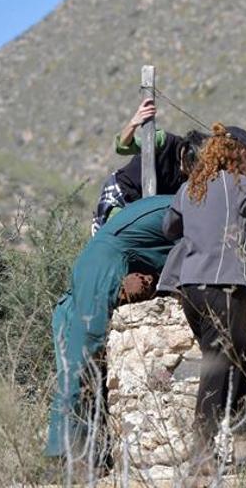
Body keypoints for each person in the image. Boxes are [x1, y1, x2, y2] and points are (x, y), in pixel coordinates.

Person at [161, 122, 246, 474]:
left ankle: (244, 446)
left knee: (239, 357)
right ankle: (201, 454)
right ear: (240, 155)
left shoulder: (190, 188)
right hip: (224, 289)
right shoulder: (242, 185)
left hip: (189, 291)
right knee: (217, 367)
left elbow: (168, 228)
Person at [44, 194, 179, 463]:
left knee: (90, 379)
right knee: (80, 367)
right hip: (85, 296)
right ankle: (62, 456)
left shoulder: (169, 210)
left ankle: (88, 459)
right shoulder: (180, 209)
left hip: (89, 289)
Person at [91, 98, 207, 235]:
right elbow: (122, 146)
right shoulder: (164, 141)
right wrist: (134, 122)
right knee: (116, 237)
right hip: (123, 195)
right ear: (188, 152)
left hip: (146, 210)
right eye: (192, 165)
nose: (190, 172)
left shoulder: (191, 177)